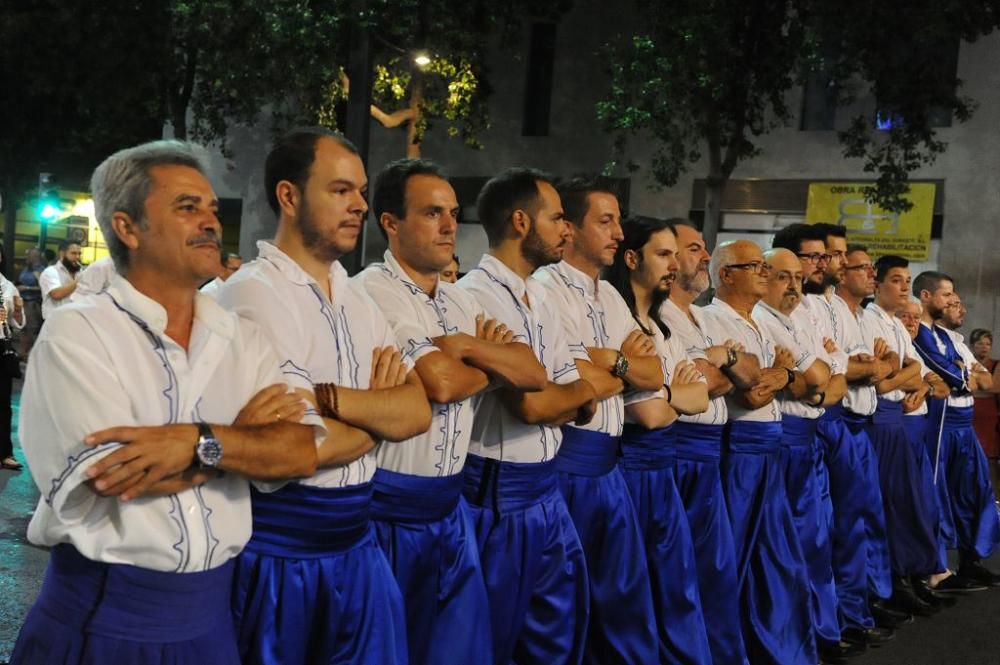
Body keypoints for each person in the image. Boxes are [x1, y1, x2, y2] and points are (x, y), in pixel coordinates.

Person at [10, 139, 323, 664]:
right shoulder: (79, 334)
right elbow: (113, 479)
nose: (209, 221)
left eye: (211, 209)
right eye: (186, 207)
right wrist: (242, 443)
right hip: (105, 623)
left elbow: (299, 452)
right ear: (127, 227)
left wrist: (195, 442)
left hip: (210, 625)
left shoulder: (240, 338)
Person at [217, 127, 432, 665]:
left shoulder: (356, 298)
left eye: (360, 191)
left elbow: (419, 410)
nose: (360, 204)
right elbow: (286, 450)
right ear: (289, 197)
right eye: (341, 190)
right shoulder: (253, 294)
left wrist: (328, 403)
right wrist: (378, 414)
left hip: (359, 547)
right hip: (282, 555)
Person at [355, 159, 547, 665]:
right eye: (432, 213)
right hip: (391, 511)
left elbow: (532, 372)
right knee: (395, 649)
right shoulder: (371, 293)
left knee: (461, 650)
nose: (448, 226)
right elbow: (439, 383)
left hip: (452, 508)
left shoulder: (458, 303)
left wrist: (462, 346)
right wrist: (490, 364)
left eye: (453, 213)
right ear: (390, 223)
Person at [457, 168, 597, 664]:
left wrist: (573, 391)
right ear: (521, 222)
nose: (568, 229)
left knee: (553, 636)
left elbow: (584, 396)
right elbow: (534, 403)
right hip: (497, 494)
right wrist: (573, 392)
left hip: (546, 489)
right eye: (557, 218)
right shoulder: (473, 295)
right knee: (494, 639)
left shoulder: (540, 297)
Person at [533, 177, 666, 663]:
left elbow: (655, 370)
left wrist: (612, 361)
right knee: (565, 606)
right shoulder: (546, 289)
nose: (618, 233)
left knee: (622, 598)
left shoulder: (609, 296)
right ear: (569, 227)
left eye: (618, 222)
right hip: (566, 463)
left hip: (610, 467)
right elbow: (567, 379)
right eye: (605, 221)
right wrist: (618, 364)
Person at [701, 239, 815, 664]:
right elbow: (746, 393)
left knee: (776, 557)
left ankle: (773, 647)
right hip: (740, 452)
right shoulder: (712, 319)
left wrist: (779, 375)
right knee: (733, 559)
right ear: (727, 274)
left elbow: (806, 383)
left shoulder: (761, 323)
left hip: (772, 449)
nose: (765, 274)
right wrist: (778, 375)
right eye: (757, 267)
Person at [606, 216, 713, 664]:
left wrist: (673, 394)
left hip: (663, 471)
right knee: (631, 598)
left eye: (676, 254)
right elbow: (648, 414)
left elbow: (702, 396)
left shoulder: (659, 327)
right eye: (663, 254)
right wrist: (676, 393)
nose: (674, 265)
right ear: (631, 259)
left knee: (676, 586)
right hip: (631, 473)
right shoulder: (622, 320)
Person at [658, 220, 754, 665]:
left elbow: (744, 376)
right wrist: (721, 367)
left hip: (710, 453)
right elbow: (707, 383)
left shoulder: (702, 317)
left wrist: (724, 361)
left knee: (715, 570)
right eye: (693, 248)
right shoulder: (663, 316)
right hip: (680, 451)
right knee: (682, 574)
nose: (703, 257)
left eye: (703, 247)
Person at [753, 247, 856, 661]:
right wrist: (814, 381)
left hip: (809, 437)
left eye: (798, 277)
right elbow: (819, 377)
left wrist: (811, 382)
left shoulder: (799, 320)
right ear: (763, 278)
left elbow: (836, 382)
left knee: (817, 541)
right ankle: (792, 641)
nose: (794, 285)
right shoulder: (762, 319)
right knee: (784, 550)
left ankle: (820, 632)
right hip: (783, 443)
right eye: (783, 277)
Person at [806, 232, 901, 633]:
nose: (840, 263)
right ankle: (839, 617)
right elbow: (845, 371)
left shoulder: (850, 312)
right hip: (834, 423)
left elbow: (885, 365)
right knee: (835, 526)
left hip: (855, 425)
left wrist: (867, 365)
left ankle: (858, 606)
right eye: (835, 256)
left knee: (862, 520)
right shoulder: (813, 305)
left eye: (846, 257)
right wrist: (864, 365)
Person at [864, 255, 954, 615]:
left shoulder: (897, 326)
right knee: (881, 507)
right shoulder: (870, 319)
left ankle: (907, 576)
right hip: (879, 421)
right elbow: (878, 378)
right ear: (878, 283)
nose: (904, 287)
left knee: (909, 505)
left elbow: (914, 372)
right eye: (897, 280)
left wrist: (902, 375)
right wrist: (901, 376)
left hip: (898, 422)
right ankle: (884, 586)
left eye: (907, 280)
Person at [912, 278, 1000, 586]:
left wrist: (966, 374)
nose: (954, 303)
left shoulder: (949, 338)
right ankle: (935, 567)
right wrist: (966, 374)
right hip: (941, 424)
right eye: (948, 296)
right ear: (926, 296)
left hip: (964, 426)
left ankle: (971, 558)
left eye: (956, 298)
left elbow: (986, 382)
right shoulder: (920, 334)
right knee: (936, 493)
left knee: (974, 490)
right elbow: (955, 377)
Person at [0, 245, 25, 471]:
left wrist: (17, 311)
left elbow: (16, 324)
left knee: (4, 403)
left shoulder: (8, 287)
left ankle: (5, 453)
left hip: (1, 346)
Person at [969, 328, 1000, 499]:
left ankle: (995, 500)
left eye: (988, 344)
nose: (984, 347)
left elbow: (994, 388)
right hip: (969, 415)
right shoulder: (965, 361)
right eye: (980, 343)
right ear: (972, 345)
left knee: (990, 459)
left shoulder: (996, 364)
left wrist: (973, 385)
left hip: (989, 417)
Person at [39, 240, 82, 320]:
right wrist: (80, 280)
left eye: (79, 253)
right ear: (62, 253)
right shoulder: (50, 272)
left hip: (75, 320)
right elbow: (56, 294)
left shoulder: (79, 273)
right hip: (55, 322)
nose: (77, 257)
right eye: (73, 253)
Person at [16, 247, 44, 358]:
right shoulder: (26, 269)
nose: (25, 257)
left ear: (35, 257)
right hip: (22, 302)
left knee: (30, 330)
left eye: (28, 255)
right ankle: (23, 353)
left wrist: (27, 288)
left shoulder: (40, 270)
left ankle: (30, 355)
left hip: (33, 303)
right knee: (22, 329)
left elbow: (44, 288)